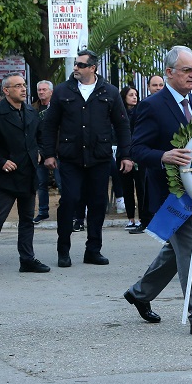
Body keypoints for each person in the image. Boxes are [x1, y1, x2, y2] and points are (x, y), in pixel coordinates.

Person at [122, 45, 192, 339]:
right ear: (170, 73)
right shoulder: (152, 106)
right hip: (170, 195)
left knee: (176, 250)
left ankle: (140, 293)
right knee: (188, 250)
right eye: (188, 71)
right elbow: (136, 149)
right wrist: (164, 155)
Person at [42, 49, 133, 268]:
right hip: (71, 158)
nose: (76, 68)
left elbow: (122, 125)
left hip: (99, 158)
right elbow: (50, 124)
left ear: (92, 68)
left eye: (81, 65)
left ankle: (93, 250)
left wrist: (125, 155)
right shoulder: (63, 90)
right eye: (75, 64)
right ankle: (63, 250)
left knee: (97, 203)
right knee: (69, 201)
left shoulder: (109, 92)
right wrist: (48, 154)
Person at [0, 74, 50, 280]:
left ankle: (27, 260)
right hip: (5, 178)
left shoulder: (31, 112)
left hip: (28, 175)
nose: (23, 89)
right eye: (18, 86)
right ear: (6, 91)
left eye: (24, 85)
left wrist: (39, 151)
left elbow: (40, 136)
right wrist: (0, 161)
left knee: (27, 221)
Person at [129, 73, 166, 234]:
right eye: (154, 85)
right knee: (143, 188)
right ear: (148, 88)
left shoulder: (169, 105)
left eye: (160, 85)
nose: (158, 88)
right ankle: (145, 220)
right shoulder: (144, 106)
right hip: (147, 155)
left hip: (165, 156)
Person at [119, 86, 144, 230]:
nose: (134, 97)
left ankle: (142, 218)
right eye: (131, 95)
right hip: (123, 155)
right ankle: (130, 218)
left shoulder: (140, 112)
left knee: (141, 186)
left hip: (138, 155)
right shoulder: (119, 113)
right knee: (126, 187)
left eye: (136, 94)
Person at [32, 80, 56, 224]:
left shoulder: (57, 107)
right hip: (40, 150)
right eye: (39, 90)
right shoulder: (33, 109)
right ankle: (43, 212)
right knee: (41, 183)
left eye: (44, 90)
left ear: (51, 92)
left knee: (62, 182)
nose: (41, 92)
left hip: (56, 150)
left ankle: (68, 211)